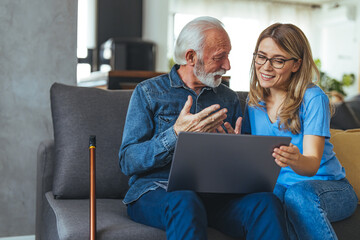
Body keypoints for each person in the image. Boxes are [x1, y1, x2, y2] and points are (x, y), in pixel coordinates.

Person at [119, 16, 289, 240]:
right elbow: (128, 160)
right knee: (185, 200)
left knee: (266, 203)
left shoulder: (228, 98)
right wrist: (174, 134)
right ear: (191, 57)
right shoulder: (148, 92)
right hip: (158, 191)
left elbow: (247, 171)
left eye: (228, 56)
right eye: (220, 57)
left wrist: (238, 152)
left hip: (216, 196)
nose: (228, 65)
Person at [247, 23, 358, 240]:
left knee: (297, 195)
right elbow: (256, 163)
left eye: (278, 60)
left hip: (329, 188)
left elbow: (312, 164)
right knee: (267, 199)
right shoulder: (254, 104)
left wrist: (295, 159)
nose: (266, 67)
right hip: (281, 188)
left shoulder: (313, 98)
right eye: (261, 56)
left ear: (296, 64)